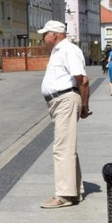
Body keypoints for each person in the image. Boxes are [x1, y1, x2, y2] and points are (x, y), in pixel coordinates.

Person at [37, 20, 90, 209]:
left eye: (45, 34)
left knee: (62, 148)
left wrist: (84, 105)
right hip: (59, 101)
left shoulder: (68, 49)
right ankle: (74, 191)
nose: (43, 38)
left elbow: (82, 80)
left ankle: (64, 195)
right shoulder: (58, 50)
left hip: (65, 99)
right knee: (66, 146)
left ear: (54, 34)